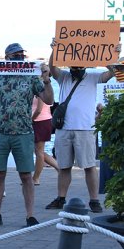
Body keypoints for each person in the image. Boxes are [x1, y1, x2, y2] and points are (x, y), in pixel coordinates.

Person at [0, 43, 53, 228]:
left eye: (22, 55)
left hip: (23, 133)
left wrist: (47, 80)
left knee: (26, 176)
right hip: (0, 132)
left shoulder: (31, 77)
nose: (20, 58)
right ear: (7, 57)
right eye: (16, 55)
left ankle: (30, 216)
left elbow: (48, 100)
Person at [45, 53, 117, 213]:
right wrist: (55, 50)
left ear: (85, 65)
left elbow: (111, 73)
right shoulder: (63, 77)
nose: (75, 68)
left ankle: (94, 200)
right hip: (64, 129)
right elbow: (52, 67)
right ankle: (61, 198)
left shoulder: (94, 77)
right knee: (64, 166)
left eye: (78, 66)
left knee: (89, 166)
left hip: (86, 129)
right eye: (73, 66)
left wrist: (107, 55)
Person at [31, 95, 58, 186]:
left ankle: (36, 178)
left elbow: (39, 109)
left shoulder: (41, 90)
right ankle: (59, 168)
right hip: (39, 121)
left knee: (39, 152)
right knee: (37, 150)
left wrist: (30, 120)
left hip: (40, 121)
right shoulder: (35, 88)